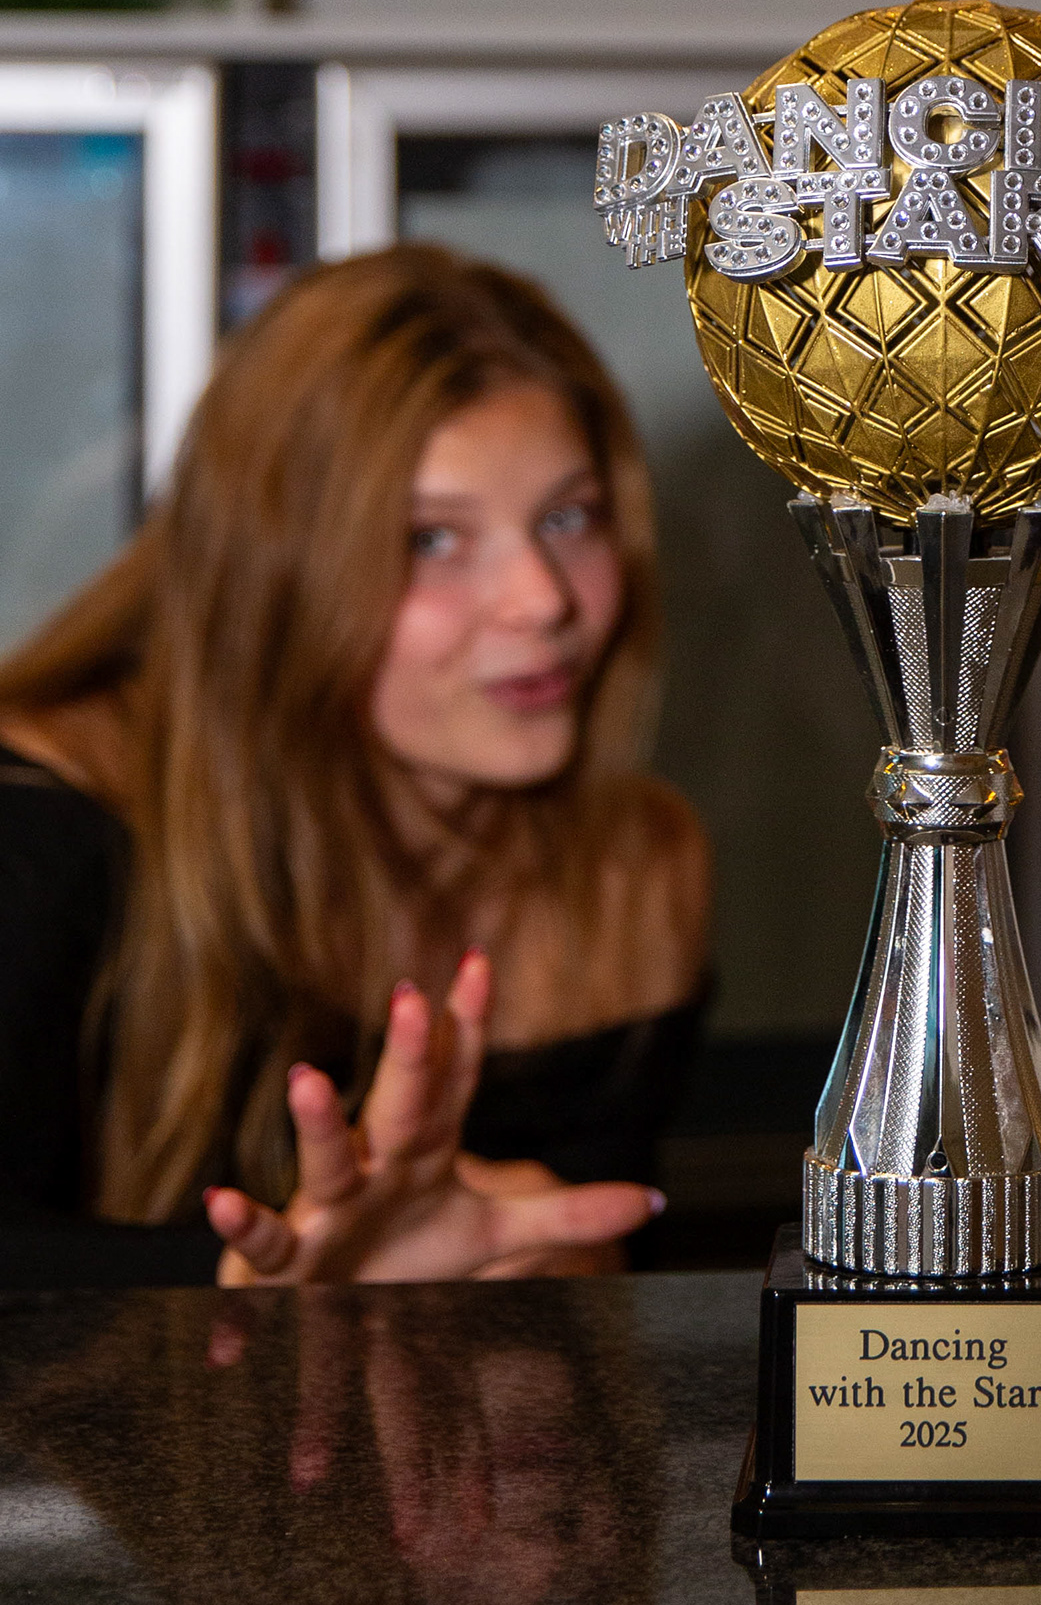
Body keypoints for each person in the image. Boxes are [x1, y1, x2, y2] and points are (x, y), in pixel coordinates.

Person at [0, 245, 710, 1284]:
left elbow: (596, 1250)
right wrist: (253, 1288)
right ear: (273, 580)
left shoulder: (636, 865)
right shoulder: (38, 826)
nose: (544, 600)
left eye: (568, 517)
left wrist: (564, 1273)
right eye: (431, 540)